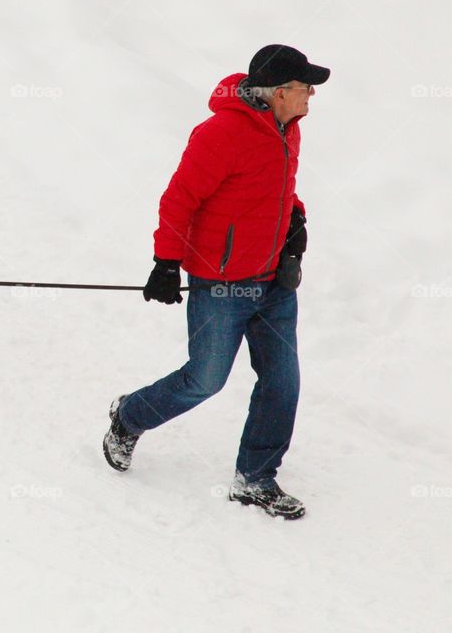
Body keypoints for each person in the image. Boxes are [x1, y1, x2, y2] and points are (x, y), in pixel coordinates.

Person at [103, 45, 329, 520]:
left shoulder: (289, 128)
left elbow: (271, 185)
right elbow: (180, 198)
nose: (311, 94)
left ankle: (256, 477)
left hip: (274, 280)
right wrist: (166, 262)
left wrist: (295, 215)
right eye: (305, 86)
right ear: (280, 92)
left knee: (282, 381)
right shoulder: (221, 132)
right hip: (222, 282)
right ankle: (128, 417)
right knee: (204, 380)